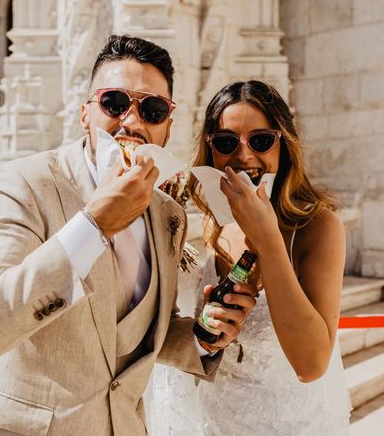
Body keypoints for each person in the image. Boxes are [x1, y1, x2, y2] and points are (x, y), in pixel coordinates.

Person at [0, 35, 257, 435]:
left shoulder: (168, 215)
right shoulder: (23, 183)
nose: (131, 120)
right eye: (114, 102)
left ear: (167, 128)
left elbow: (124, 338)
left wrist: (202, 337)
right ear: (85, 113)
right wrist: (92, 227)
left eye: (153, 109)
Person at [147, 80, 352, 435]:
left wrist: (267, 238)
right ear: (211, 151)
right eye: (227, 143)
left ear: (283, 146)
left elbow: (311, 364)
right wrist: (207, 328)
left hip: (289, 423)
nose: (244, 156)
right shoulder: (209, 222)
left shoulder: (318, 228)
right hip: (210, 421)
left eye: (260, 141)